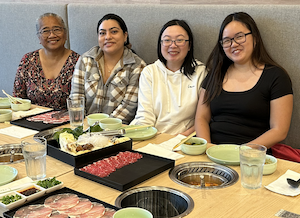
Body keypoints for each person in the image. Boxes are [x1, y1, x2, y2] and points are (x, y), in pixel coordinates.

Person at [195, 12, 293, 149]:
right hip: (212, 154)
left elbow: (279, 130)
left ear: (255, 38)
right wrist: (208, 148)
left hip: (251, 157)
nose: (233, 44)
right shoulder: (215, 74)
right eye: (227, 40)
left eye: (239, 37)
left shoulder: (276, 76)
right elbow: (201, 118)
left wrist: (241, 152)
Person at [131, 19, 207, 136]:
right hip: (153, 136)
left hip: (186, 140)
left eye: (179, 40)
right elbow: (145, 114)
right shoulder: (149, 72)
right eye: (167, 40)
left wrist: (180, 137)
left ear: (189, 45)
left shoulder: (201, 72)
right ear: (160, 44)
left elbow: (204, 118)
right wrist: (147, 136)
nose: (173, 45)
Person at [70, 13, 146, 125]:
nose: (108, 37)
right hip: (85, 128)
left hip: (117, 131)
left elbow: (128, 107)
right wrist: (82, 126)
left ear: (125, 36)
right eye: (102, 33)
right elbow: (76, 98)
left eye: (114, 31)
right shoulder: (85, 60)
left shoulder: (137, 66)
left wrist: (101, 129)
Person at [13, 13, 80, 110]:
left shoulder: (78, 62)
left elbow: (81, 104)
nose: (52, 35)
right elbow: (17, 99)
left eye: (57, 29)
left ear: (66, 34)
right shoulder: (28, 60)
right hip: (30, 121)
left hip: (66, 121)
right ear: (38, 37)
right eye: (45, 31)